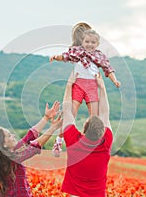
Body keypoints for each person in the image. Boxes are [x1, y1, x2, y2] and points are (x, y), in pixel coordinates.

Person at [50, 23, 120, 157]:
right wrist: (56, 57)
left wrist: (114, 80)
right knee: (70, 113)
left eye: (93, 42)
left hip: (92, 86)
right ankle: (59, 141)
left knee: (94, 118)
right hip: (78, 84)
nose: (89, 44)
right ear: (82, 41)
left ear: (97, 44)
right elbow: (65, 56)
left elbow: (108, 69)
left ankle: (91, 144)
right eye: (87, 41)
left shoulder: (100, 56)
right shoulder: (77, 52)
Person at [0, 101, 62, 197]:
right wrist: (53, 128)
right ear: (4, 144)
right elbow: (36, 145)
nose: (13, 135)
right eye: (9, 136)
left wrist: (46, 118)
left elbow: (29, 136)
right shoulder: (11, 159)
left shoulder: (8, 155)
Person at [61, 72, 113, 197]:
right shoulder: (106, 141)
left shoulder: (73, 140)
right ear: (102, 133)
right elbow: (105, 113)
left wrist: (69, 85)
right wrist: (102, 87)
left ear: (84, 128)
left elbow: (67, 110)